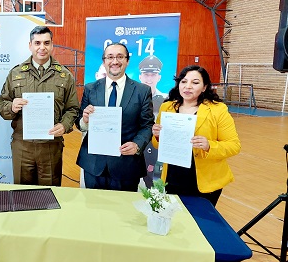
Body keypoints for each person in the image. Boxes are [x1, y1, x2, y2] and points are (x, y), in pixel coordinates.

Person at [0, 26, 79, 186]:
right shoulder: (16, 74)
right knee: (22, 194)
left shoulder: (65, 75)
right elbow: (2, 104)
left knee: (50, 195)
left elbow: (73, 109)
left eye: (46, 43)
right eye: (37, 43)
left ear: (52, 45)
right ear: (30, 45)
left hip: (51, 146)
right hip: (23, 146)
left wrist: (64, 125)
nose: (42, 47)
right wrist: (11, 107)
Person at [151, 65, 241, 206]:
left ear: (204, 87)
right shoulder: (167, 107)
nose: (188, 86)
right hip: (173, 175)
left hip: (203, 179)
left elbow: (234, 145)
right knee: (173, 220)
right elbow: (157, 144)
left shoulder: (218, 110)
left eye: (195, 82)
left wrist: (209, 145)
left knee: (199, 222)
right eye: (184, 81)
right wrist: (157, 136)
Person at [76, 43, 154, 191]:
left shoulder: (142, 91)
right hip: (94, 165)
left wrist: (137, 145)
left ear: (127, 60)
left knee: (124, 212)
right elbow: (79, 122)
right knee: (93, 210)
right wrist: (85, 121)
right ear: (104, 61)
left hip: (126, 165)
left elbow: (147, 125)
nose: (115, 61)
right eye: (110, 57)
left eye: (120, 57)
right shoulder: (90, 88)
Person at [138, 54, 166, 188]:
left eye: (153, 75)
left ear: (159, 77)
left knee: (154, 186)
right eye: (146, 74)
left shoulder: (166, 101)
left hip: (154, 149)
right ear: (140, 77)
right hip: (134, 146)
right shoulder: (131, 97)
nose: (149, 79)